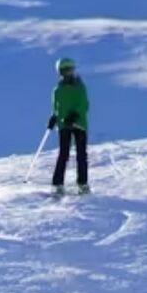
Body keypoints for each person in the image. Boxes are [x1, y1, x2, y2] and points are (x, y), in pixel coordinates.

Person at [47, 58, 91, 196]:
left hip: (79, 124)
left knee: (81, 154)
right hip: (64, 125)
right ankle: (57, 184)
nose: (68, 73)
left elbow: (84, 104)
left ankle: (82, 184)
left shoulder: (80, 87)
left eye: (70, 70)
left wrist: (75, 115)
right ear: (60, 72)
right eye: (64, 71)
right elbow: (57, 108)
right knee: (63, 153)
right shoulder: (57, 90)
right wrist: (54, 117)